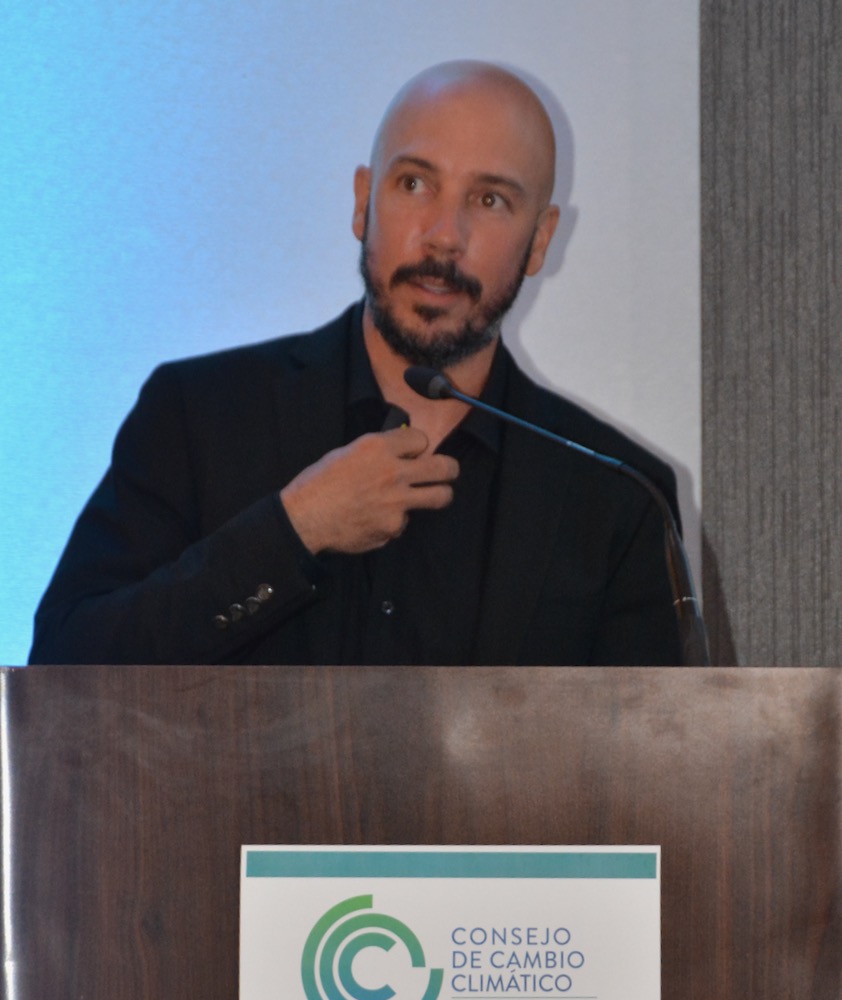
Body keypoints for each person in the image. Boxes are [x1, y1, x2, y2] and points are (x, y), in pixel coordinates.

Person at [29, 60, 683, 666]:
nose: (444, 236)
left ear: (540, 240)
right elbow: (62, 667)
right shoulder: (196, 417)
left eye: (490, 200)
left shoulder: (621, 497)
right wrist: (295, 529)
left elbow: (657, 748)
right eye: (414, 184)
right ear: (363, 201)